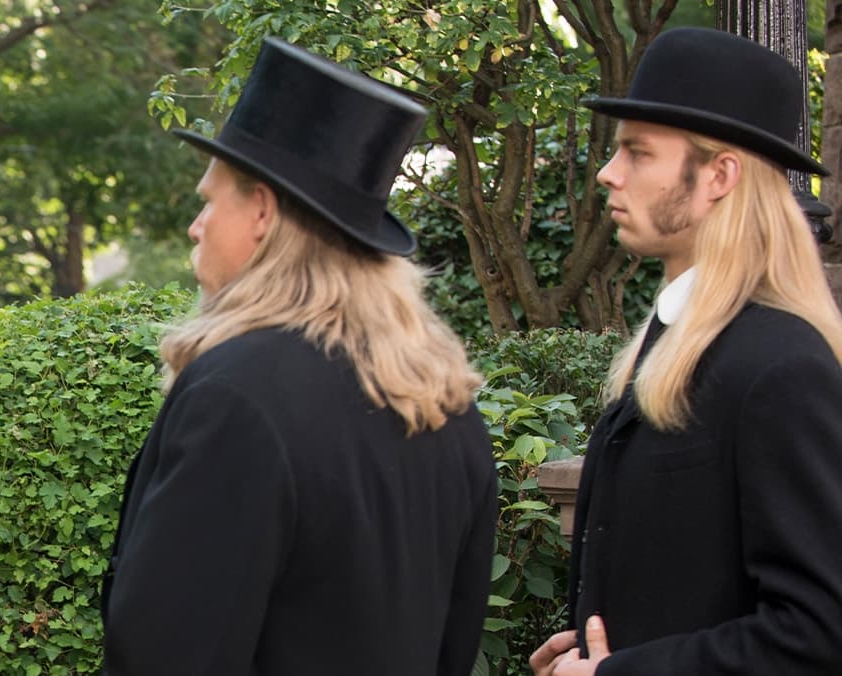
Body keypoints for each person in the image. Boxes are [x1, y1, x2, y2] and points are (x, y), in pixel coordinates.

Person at [100, 37, 496, 675]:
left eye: (209, 201)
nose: (197, 226)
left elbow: (169, 653)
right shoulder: (447, 404)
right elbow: (455, 643)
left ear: (260, 211)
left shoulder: (236, 396)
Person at [529, 27, 842, 676]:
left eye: (638, 153)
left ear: (719, 175)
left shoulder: (781, 368)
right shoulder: (676, 341)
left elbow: (818, 633)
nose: (609, 173)